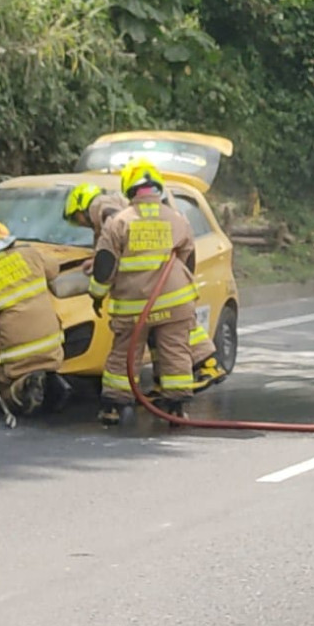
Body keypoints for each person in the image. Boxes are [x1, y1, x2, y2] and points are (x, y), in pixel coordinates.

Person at [64, 181, 226, 393]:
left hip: (148, 285)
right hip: (158, 284)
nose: (81, 224)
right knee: (167, 331)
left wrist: (98, 288)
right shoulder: (118, 206)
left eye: (76, 218)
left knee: (173, 330)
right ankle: (168, 387)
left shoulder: (102, 208)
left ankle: (207, 364)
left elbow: (119, 242)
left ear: (81, 206)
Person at [87, 159, 198, 426]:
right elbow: (188, 260)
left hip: (134, 307)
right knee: (175, 352)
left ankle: (115, 407)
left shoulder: (119, 222)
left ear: (129, 189)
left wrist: (97, 295)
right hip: (175, 304)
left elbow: (104, 266)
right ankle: (176, 409)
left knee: (125, 353)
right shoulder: (178, 219)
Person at [0, 220, 64, 416]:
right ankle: (50, 381)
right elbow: (54, 269)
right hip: (51, 344)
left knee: (4, 390)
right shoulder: (30, 254)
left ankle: (23, 386)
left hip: (16, 353)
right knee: (46, 361)